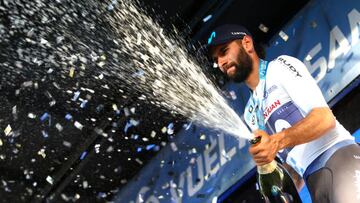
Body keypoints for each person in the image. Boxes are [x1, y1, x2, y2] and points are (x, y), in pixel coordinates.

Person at [207, 24, 360, 203]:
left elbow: (324, 119)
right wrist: (279, 190)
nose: (221, 62)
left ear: (247, 43)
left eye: (224, 51)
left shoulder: (279, 67)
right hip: (315, 185)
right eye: (216, 59)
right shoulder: (250, 114)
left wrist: (276, 141)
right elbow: (295, 161)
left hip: (341, 161)